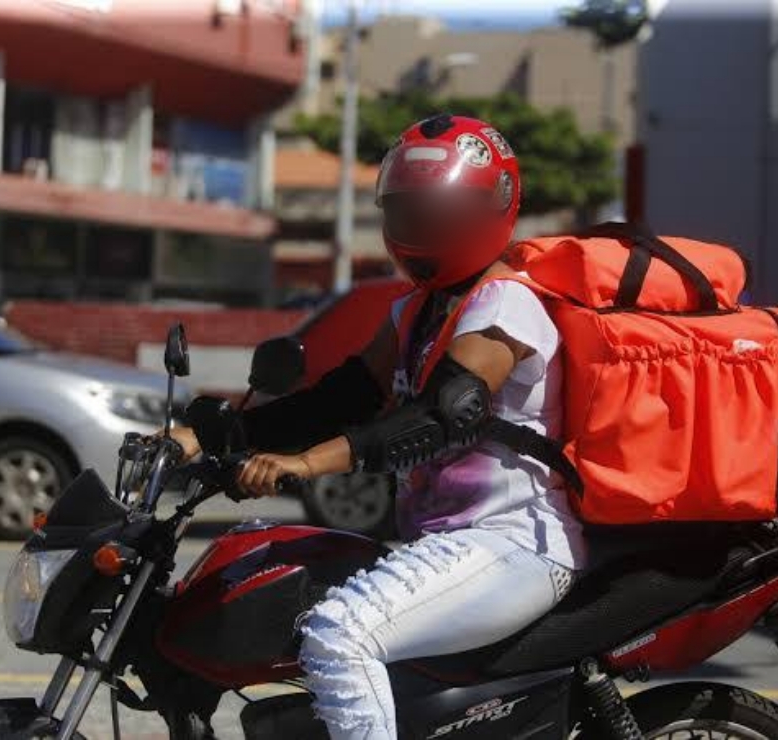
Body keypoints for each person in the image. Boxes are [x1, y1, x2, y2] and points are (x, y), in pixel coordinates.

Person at [170, 114, 586, 740]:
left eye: (441, 215)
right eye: (408, 213)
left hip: (514, 545)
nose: (422, 230)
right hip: (444, 544)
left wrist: (306, 465)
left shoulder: (506, 304)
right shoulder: (417, 308)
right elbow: (339, 397)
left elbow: (445, 416)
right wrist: (213, 436)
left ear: (493, 207)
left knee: (339, 635)